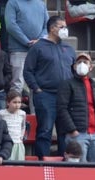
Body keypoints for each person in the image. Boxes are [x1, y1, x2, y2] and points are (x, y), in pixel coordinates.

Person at [23, 15, 75, 158]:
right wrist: (36, 89)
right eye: (62, 27)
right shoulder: (38, 47)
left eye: (65, 27)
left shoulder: (68, 48)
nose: (65, 30)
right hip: (45, 95)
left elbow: (74, 71)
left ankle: (65, 163)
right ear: (52, 28)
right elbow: (28, 71)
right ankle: (42, 162)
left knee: (65, 132)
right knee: (45, 130)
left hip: (65, 96)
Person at [57, 53, 95, 163]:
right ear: (74, 66)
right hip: (78, 134)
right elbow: (61, 108)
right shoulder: (67, 84)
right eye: (79, 62)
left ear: (91, 67)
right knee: (78, 169)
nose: (82, 64)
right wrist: (72, 130)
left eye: (85, 62)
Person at [3, 0, 47, 94]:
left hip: (37, 50)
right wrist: (27, 42)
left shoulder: (41, 4)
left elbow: (47, 26)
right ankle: (15, 104)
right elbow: (10, 25)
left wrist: (39, 40)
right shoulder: (13, 2)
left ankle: (34, 105)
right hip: (18, 50)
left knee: (36, 84)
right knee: (17, 83)